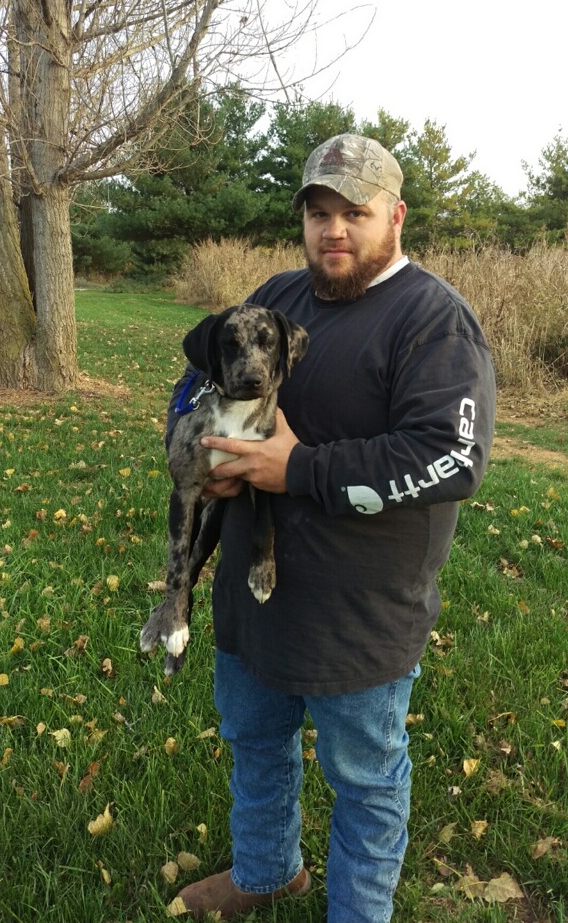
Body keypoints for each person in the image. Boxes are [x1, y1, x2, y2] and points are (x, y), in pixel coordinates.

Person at [167, 134, 496, 922]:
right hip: (254, 592)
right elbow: (195, 382)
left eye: (355, 212)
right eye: (319, 212)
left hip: (359, 614)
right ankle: (265, 871)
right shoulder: (279, 295)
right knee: (255, 743)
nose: (334, 230)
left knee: (365, 781)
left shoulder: (433, 319)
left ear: (396, 216)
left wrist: (299, 468)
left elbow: (453, 458)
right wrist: (193, 452)